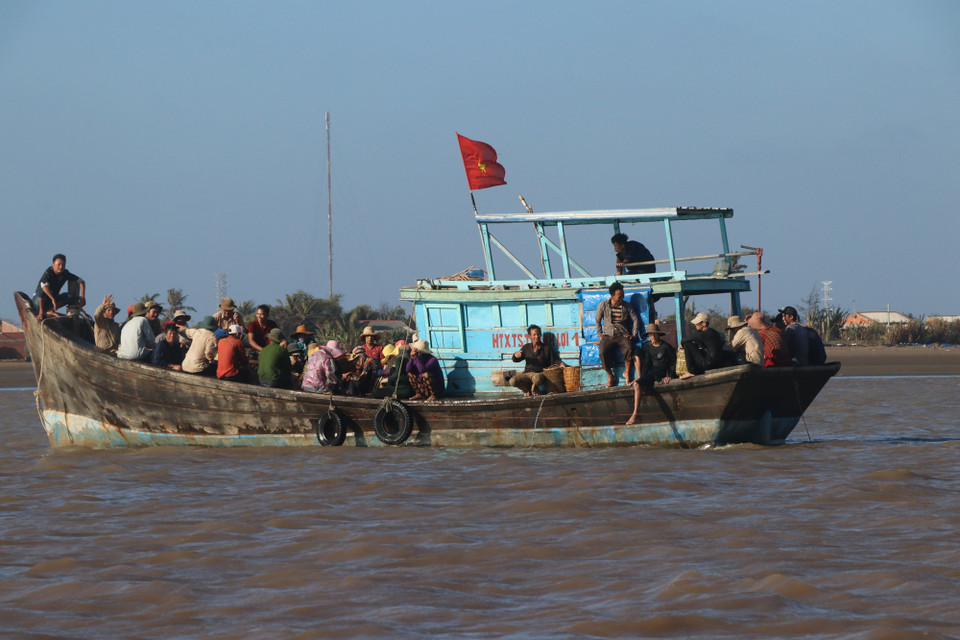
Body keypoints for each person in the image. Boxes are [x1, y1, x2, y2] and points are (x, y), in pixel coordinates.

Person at [626, 324, 676, 425]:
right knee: (637, 384)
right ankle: (635, 414)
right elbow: (641, 360)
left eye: (654, 334)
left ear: (658, 335)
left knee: (638, 384)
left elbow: (673, 363)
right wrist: (639, 376)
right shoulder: (646, 347)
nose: (652, 337)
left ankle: (635, 414)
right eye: (650, 335)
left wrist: (670, 375)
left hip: (660, 374)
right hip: (650, 375)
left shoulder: (666, 347)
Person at [595, 282, 640, 387]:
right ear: (612, 295)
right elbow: (597, 320)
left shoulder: (627, 306)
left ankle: (627, 372)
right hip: (607, 335)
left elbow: (635, 319)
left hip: (622, 335)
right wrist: (600, 335)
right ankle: (610, 376)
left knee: (629, 347)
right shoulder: (603, 305)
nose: (621, 298)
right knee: (602, 352)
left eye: (623, 296)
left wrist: (634, 333)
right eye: (619, 297)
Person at [510, 324, 562, 396]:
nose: (537, 337)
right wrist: (515, 355)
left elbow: (553, 361)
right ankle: (528, 390)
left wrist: (560, 363)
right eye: (534, 335)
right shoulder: (526, 347)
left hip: (539, 374)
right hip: (526, 374)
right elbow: (515, 359)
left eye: (538, 334)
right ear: (529, 336)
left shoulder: (546, 348)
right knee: (512, 381)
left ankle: (534, 389)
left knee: (537, 378)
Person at [33, 253, 86, 320]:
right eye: (59, 265)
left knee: (68, 296)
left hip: (51, 303)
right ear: (53, 265)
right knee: (42, 290)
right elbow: (44, 286)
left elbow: (81, 281)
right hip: (38, 302)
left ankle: (50, 310)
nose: (61, 267)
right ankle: (41, 313)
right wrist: (52, 299)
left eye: (63, 265)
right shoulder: (48, 272)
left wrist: (82, 297)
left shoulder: (65, 273)